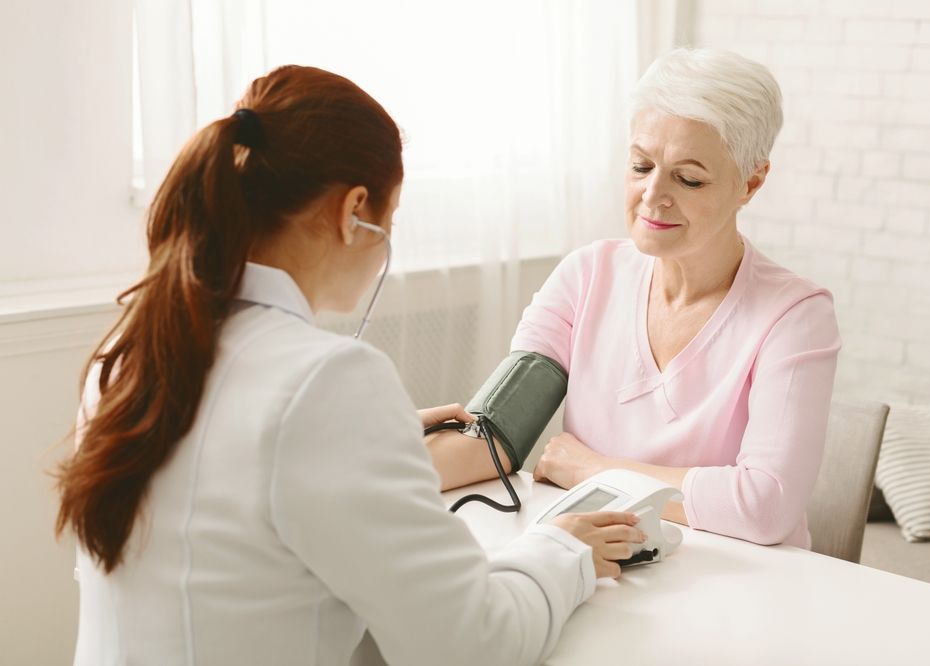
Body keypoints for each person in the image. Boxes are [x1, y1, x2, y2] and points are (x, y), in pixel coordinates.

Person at [55, 65, 645, 666]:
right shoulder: (328, 382)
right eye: (392, 220)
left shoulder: (132, 349)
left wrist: (379, 446)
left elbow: (227, 502)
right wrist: (559, 549)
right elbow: (475, 644)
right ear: (354, 210)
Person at [427, 48, 841, 549]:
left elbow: (764, 507)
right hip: (605, 568)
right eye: (641, 165)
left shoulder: (795, 315)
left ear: (750, 182)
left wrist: (593, 471)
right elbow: (495, 437)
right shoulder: (585, 276)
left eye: (688, 178)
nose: (652, 194)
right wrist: (363, 468)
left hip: (747, 580)